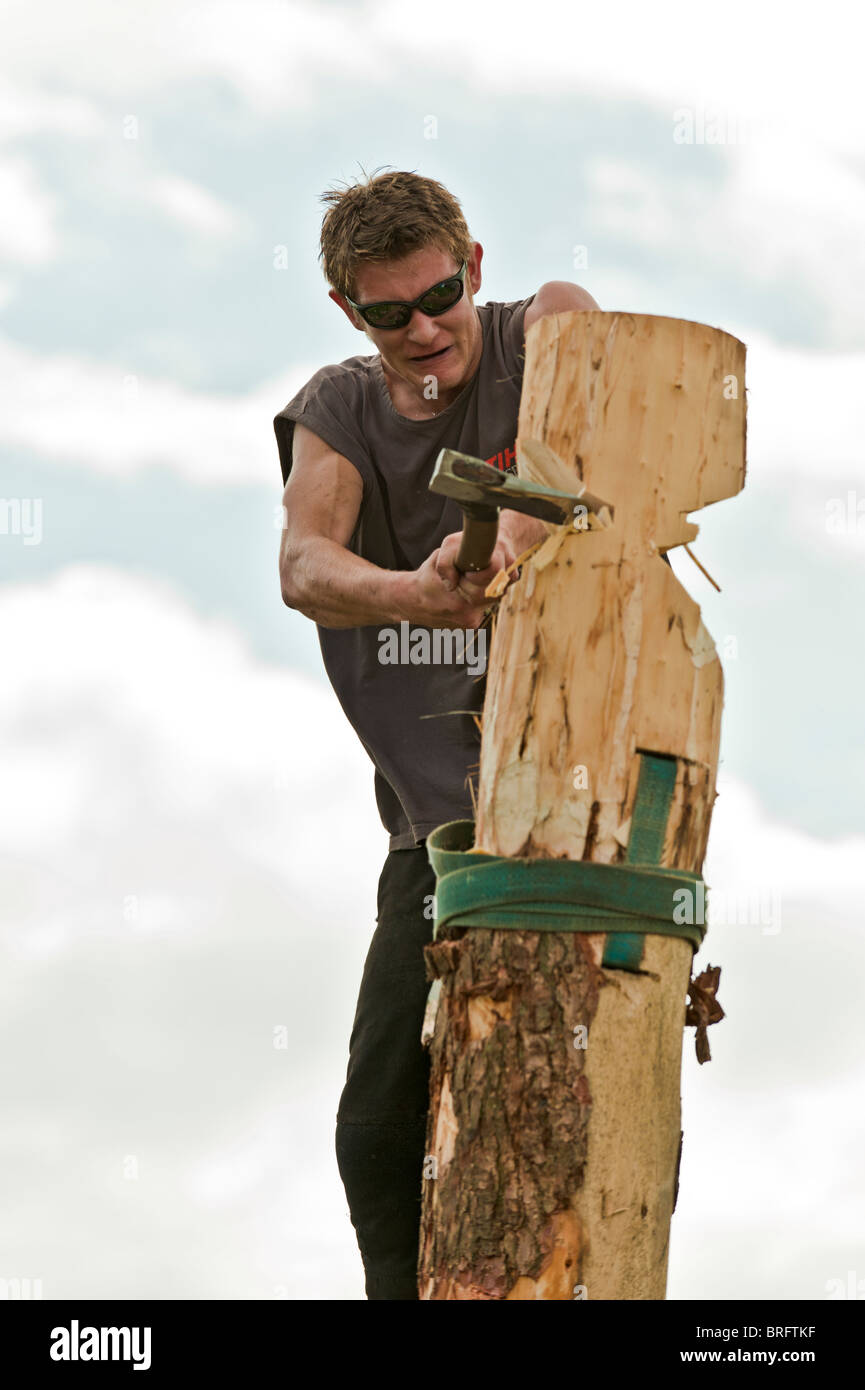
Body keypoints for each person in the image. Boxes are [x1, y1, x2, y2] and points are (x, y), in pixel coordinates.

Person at [273, 169, 599, 1299]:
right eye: (387, 314)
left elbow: (576, 434)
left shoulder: (547, 323)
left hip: (577, 802)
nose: (422, 329)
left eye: (439, 294)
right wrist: (415, 594)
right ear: (349, 315)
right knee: (377, 1123)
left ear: (473, 258)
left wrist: (505, 537)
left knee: (559, 1120)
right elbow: (305, 565)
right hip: (438, 827)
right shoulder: (339, 407)